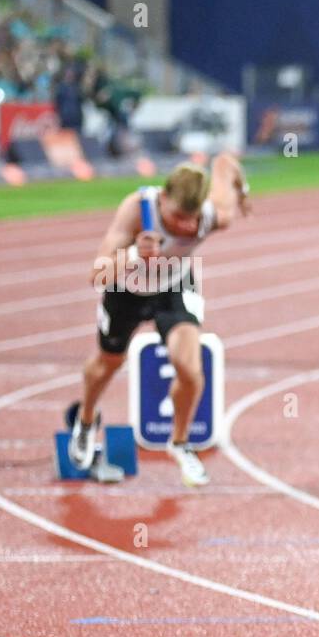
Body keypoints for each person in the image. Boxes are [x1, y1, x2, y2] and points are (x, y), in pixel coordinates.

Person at [68, 154, 250, 487]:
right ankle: (85, 420)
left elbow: (224, 164)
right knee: (108, 362)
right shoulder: (138, 210)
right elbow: (96, 275)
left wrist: (243, 188)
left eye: (191, 219)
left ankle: (180, 443)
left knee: (190, 369)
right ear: (163, 199)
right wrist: (134, 254)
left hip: (173, 287)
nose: (184, 227)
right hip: (126, 289)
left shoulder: (212, 217)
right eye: (178, 217)